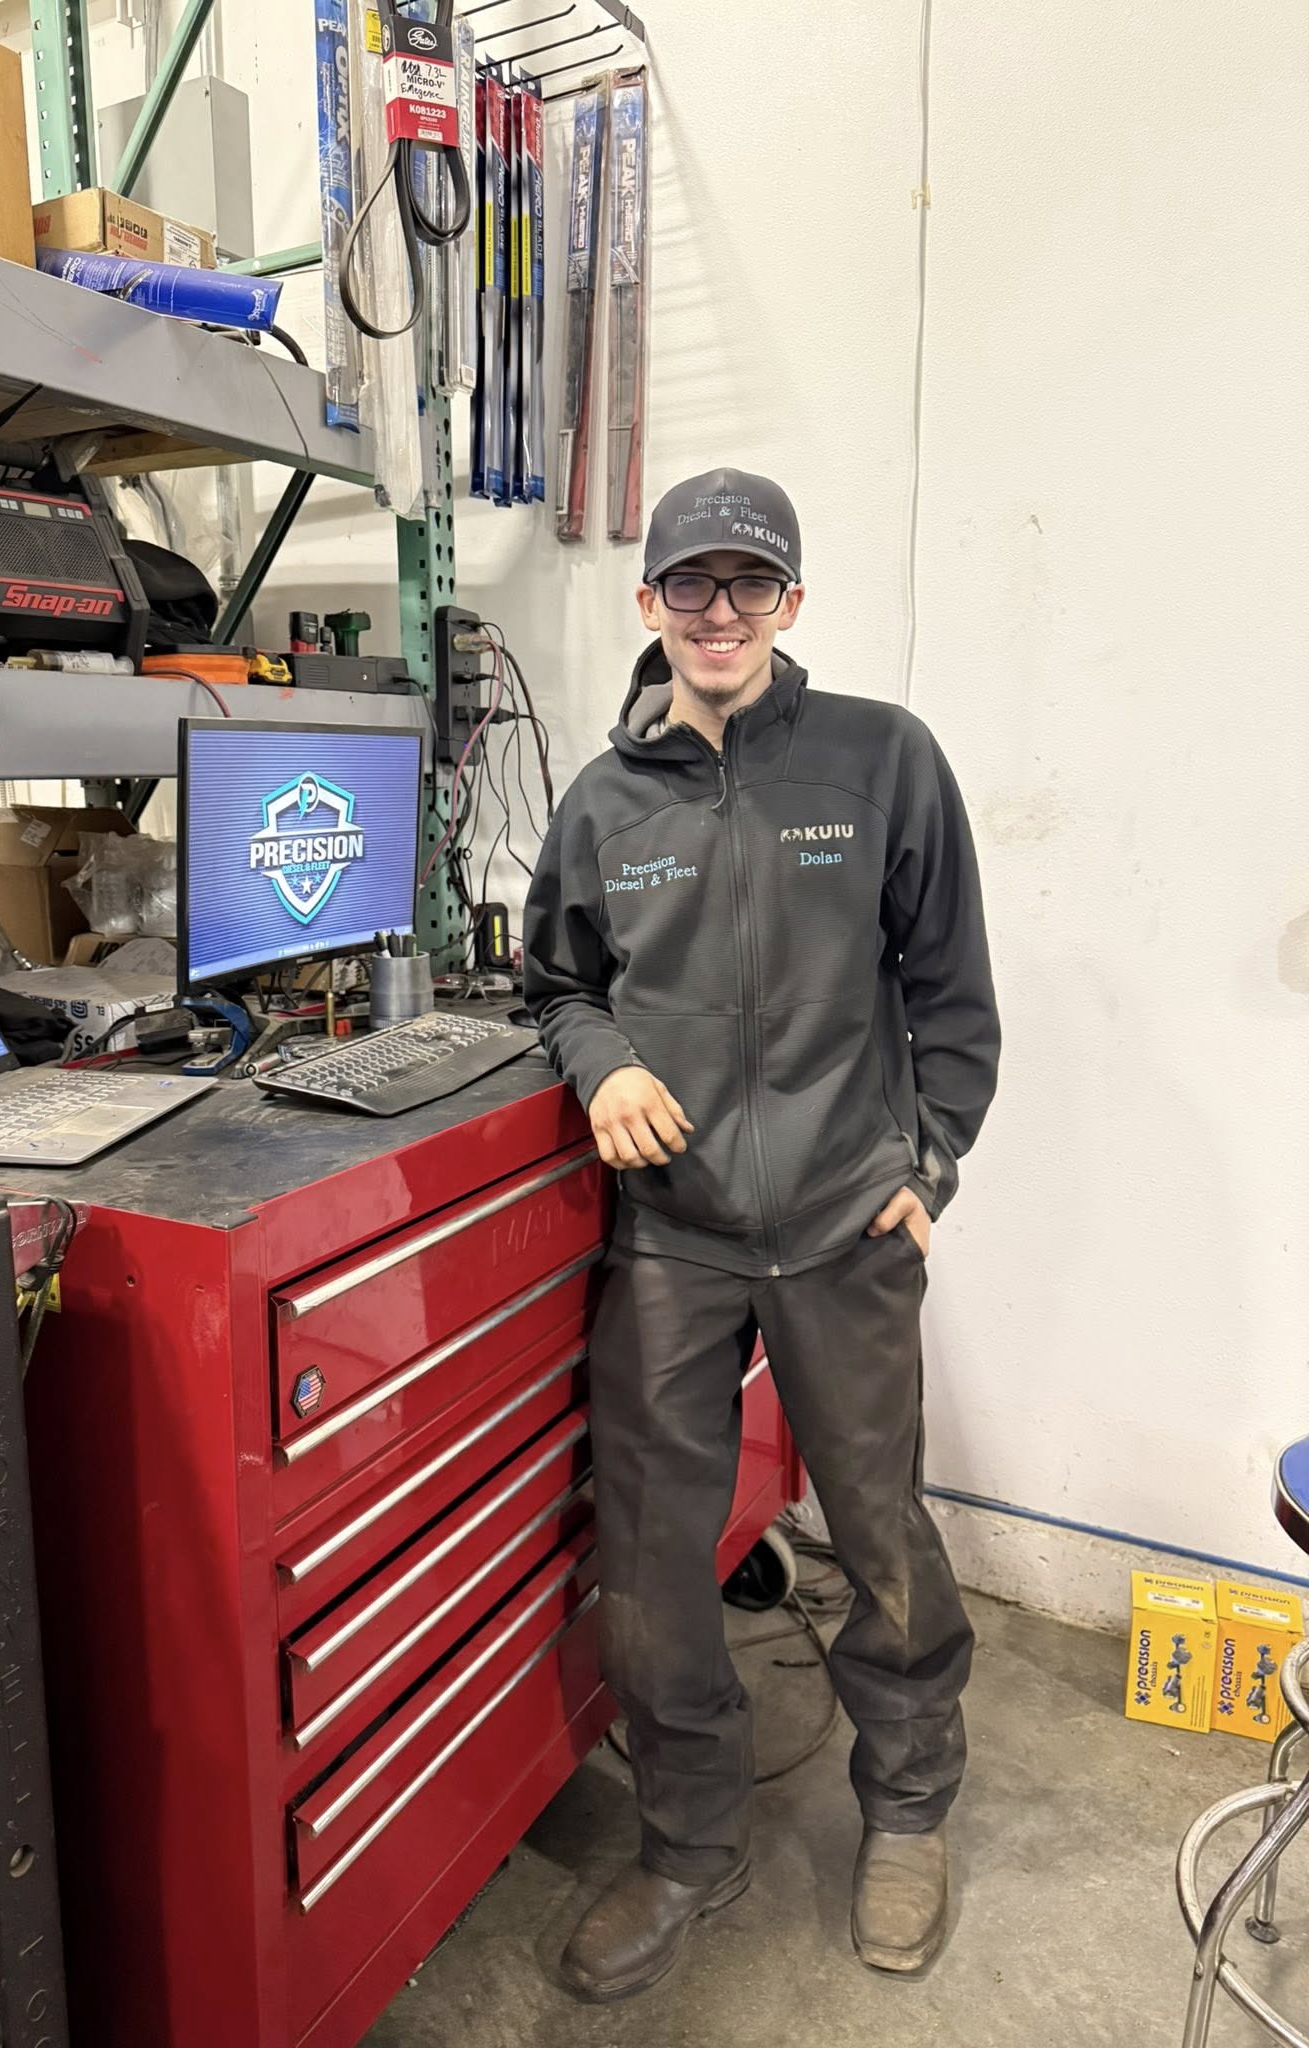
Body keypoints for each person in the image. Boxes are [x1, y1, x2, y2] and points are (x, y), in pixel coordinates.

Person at [522, 468, 1000, 2003]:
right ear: (650, 602)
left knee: (881, 1530)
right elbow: (558, 985)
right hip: (677, 1235)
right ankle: (686, 1843)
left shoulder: (881, 760)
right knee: (653, 1554)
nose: (717, 612)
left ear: (790, 603)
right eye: (690, 583)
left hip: (845, 1218)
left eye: (748, 584)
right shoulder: (605, 804)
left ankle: (908, 1809)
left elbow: (952, 994)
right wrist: (605, 1064)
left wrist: (930, 1159)